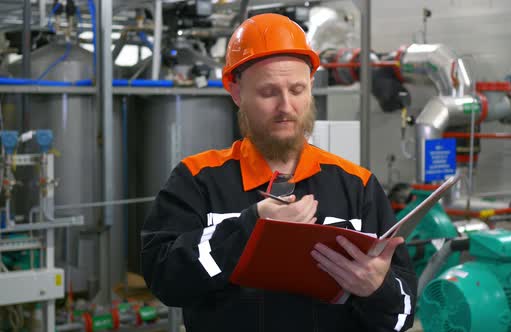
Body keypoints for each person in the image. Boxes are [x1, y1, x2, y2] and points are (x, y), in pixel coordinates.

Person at [141, 13, 416, 332]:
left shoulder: (357, 186)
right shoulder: (198, 180)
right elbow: (165, 281)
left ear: (311, 86)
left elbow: (403, 317)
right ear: (236, 91)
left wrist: (377, 291)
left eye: (297, 90)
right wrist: (251, 228)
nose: (286, 106)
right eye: (269, 92)